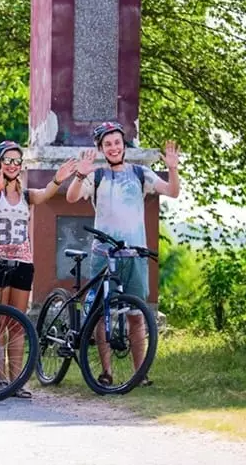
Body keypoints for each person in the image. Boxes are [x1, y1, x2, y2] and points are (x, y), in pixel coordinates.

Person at [66, 121, 179, 386]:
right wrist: (80, 175)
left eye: (117, 142)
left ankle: (140, 374)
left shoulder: (141, 173)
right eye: (108, 144)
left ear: (123, 144)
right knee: (101, 315)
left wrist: (173, 169)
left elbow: (172, 192)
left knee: (136, 315)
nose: (114, 147)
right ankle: (106, 372)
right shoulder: (97, 176)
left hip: (134, 256)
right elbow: (71, 197)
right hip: (104, 255)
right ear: (101, 148)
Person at [0, 140, 77, 398]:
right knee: (0, 322)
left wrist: (58, 179)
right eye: (7, 160)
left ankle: (17, 382)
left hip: (23, 262)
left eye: (17, 161)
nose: (13, 165)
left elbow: (45, 194)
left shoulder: (26, 195)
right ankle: (1, 379)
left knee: (17, 323)